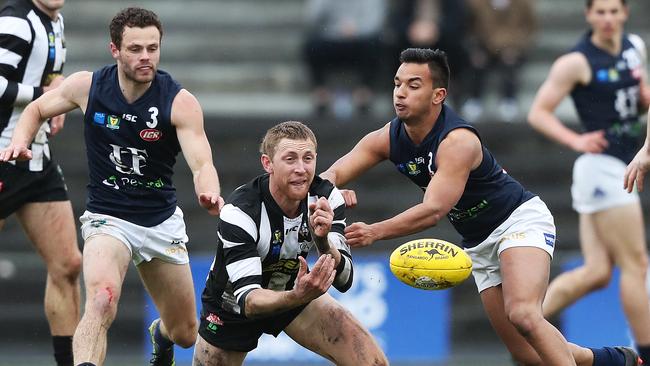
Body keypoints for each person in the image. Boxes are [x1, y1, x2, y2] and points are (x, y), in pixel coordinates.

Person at [321, 47, 642, 365]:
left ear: (438, 95)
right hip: (478, 241)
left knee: (524, 314)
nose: (400, 93)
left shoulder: (457, 141)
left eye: (413, 85)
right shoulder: (388, 137)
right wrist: (331, 193)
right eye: (397, 83)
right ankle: (612, 360)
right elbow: (332, 174)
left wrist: (374, 232)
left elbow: (434, 210)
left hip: (518, 221)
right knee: (525, 353)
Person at [0, 7, 224, 366]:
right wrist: (21, 142)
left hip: (160, 222)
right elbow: (35, 110)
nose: (146, 57)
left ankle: (160, 335)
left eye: (153, 48)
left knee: (184, 332)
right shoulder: (88, 86)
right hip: (108, 219)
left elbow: (203, 164)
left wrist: (208, 191)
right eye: (135, 49)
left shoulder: (179, 102)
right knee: (102, 299)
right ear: (115, 50)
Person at [193, 121, 388, 366]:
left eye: (308, 158)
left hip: (295, 290)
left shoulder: (326, 198)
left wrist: (323, 241)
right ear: (268, 164)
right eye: (290, 159)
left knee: (371, 362)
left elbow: (344, 280)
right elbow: (249, 301)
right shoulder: (240, 212)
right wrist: (297, 295)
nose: (301, 169)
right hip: (232, 307)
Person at [527, 0, 650, 361]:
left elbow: (635, 103)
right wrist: (575, 139)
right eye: (601, 11)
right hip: (603, 168)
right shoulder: (576, 61)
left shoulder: (635, 47)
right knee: (636, 264)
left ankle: (526, 324)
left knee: (597, 272)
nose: (608, 19)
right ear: (588, 15)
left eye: (615, 11)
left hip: (619, 165)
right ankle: (645, 354)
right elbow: (538, 112)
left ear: (625, 13)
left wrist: (642, 103)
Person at [0, 1, 81, 365]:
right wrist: (47, 100)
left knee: (68, 264)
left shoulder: (55, 21)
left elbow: (47, 80)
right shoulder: (17, 20)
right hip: (3, 156)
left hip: (36, 159)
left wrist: (50, 106)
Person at [303, 0, 387, 118]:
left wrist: (356, 29)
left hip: (361, 40)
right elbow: (312, 18)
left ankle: (364, 93)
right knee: (311, 44)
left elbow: (375, 21)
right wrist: (338, 30)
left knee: (377, 43)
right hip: (331, 38)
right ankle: (321, 93)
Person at [461, 0, 536, 123]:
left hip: (513, 47)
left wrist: (516, 47)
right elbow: (471, 29)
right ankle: (475, 98)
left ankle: (509, 99)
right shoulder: (478, 4)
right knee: (478, 63)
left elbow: (530, 29)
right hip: (485, 46)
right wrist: (476, 49)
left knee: (510, 63)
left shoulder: (523, 4)